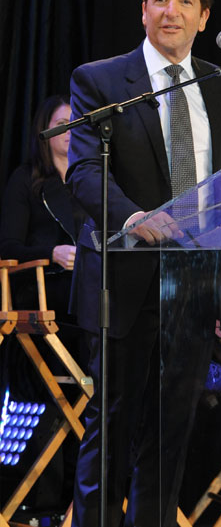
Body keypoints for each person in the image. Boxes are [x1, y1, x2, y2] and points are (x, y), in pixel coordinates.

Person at [66, 0, 221, 527]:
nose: (172, 12)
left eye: (185, 2)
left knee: (172, 431)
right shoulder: (100, 80)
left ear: (204, 16)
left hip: (194, 285)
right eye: (160, 0)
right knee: (114, 426)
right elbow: (84, 170)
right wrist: (132, 215)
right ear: (143, 10)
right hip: (126, 277)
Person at [0, 93, 87, 503]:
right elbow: (8, 246)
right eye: (62, 123)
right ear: (45, 130)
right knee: (51, 406)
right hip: (41, 296)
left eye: (76, 122)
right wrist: (50, 253)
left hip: (86, 300)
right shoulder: (27, 181)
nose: (70, 131)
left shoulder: (91, 182)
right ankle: (38, 502)